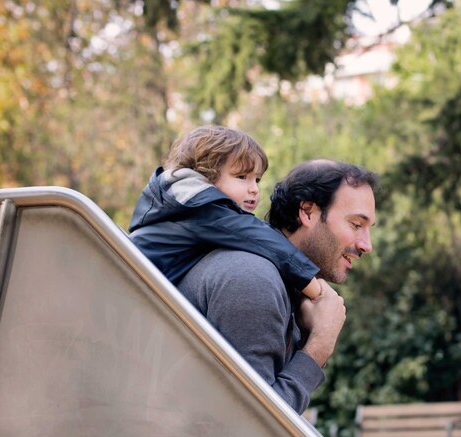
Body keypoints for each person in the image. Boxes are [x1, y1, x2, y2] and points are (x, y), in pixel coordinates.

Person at [178, 159, 378, 413]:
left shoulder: (280, 282)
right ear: (307, 212)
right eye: (356, 225)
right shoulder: (253, 279)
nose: (366, 245)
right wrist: (319, 346)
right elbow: (256, 423)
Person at [129, 125, 322, 299]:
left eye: (257, 180)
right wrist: (316, 290)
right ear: (206, 177)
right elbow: (260, 238)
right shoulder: (202, 208)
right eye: (241, 177)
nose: (254, 189)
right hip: (129, 284)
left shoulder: (182, 203)